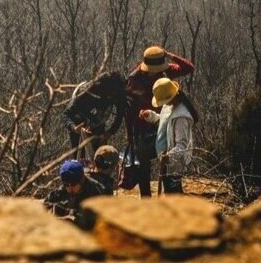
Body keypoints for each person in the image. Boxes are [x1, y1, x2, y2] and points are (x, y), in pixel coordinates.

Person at [126, 46, 194, 197]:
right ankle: (146, 198)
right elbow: (128, 109)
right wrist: (131, 133)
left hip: (166, 122)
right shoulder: (135, 78)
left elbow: (188, 67)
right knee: (143, 162)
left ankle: (173, 196)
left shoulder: (166, 72)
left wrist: (169, 55)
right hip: (146, 126)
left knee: (169, 165)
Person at [139, 77, 197, 194]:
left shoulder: (181, 116)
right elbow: (164, 123)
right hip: (165, 159)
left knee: (174, 194)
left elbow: (182, 145)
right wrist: (150, 116)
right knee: (170, 192)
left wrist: (169, 158)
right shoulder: (169, 106)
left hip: (173, 163)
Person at [62, 71, 126, 158]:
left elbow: (120, 114)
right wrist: (74, 127)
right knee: (81, 163)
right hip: (80, 130)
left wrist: (109, 133)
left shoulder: (118, 91)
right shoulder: (86, 92)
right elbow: (66, 114)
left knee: (101, 161)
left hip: (98, 130)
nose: (111, 97)